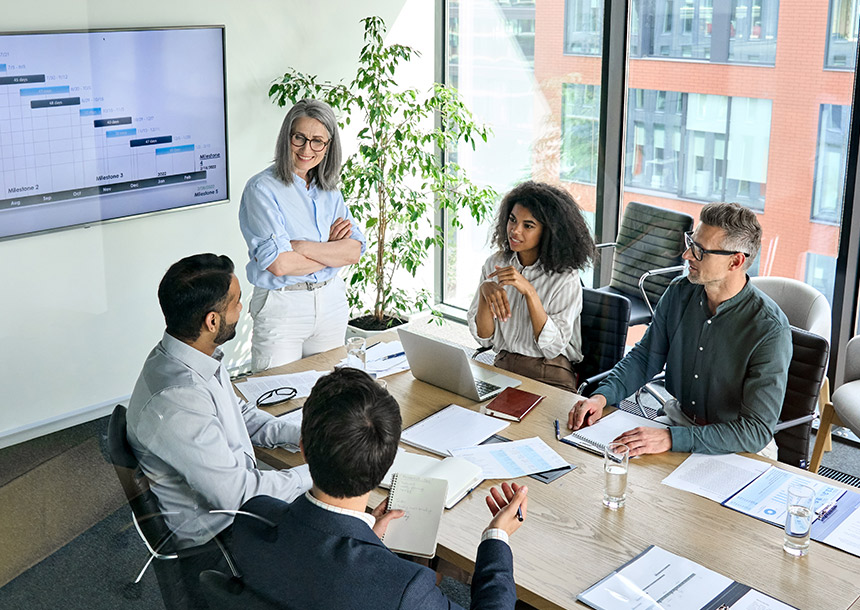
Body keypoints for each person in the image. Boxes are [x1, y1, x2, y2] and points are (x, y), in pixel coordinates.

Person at [231, 367, 527, 610]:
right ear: (386, 465)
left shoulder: (251, 519)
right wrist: (497, 538)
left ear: (303, 450)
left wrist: (366, 539)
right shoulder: (404, 588)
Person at [126, 254, 312, 604]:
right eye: (237, 302)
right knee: (340, 540)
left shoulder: (189, 355)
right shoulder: (177, 400)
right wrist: (317, 473)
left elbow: (238, 413)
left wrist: (297, 433)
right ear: (213, 321)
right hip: (219, 544)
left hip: (231, 510)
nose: (243, 308)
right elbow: (237, 497)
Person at [567, 202, 792, 458]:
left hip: (737, 445)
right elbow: (644, 358)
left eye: (700, 251)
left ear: (735, 261)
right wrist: (601, 397)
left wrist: (671, 438)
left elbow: (754, 431)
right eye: (690, 242)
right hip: (678, 421)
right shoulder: (678, 292)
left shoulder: (770, 329)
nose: (686, 255)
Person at [239, 99, 366, 372]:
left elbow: (353, 251)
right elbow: (280, 264)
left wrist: (301, 247)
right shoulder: (262, 189)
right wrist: (332, 251)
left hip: (331, 302)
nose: (307, 149)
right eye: (300, 138)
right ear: (287, 137)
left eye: (318, 141)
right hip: (283, 305)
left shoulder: (330, 190)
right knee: (277, 398)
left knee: (332, 399)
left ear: (329, 146)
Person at [467, 181, 596, 391]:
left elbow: (553, 348)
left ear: (549, 232)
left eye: (528, 225)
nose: (515, 231)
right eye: (512, 220)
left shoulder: (565, 278)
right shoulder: (494, 263)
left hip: (549, 373)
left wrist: (529, 291)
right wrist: (484, 293)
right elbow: (484, 338)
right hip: (504, 365)